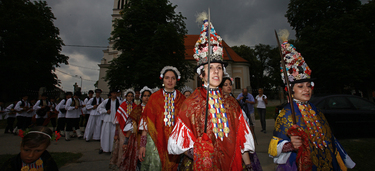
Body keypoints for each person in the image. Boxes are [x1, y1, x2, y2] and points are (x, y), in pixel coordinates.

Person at [168, 13, 255, 170]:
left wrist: (248, 166)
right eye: (211, 68)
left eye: (219, 68)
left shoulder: (232, 104)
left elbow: (242, 140)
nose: (216, 72)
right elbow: (177, 144)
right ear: (202, 74)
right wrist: (197, 153)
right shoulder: (191, 104)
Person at [268, 30, 355, 170]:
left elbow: (330, 137)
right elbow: (274, 145)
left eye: (308, 86)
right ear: (290, 90)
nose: (306, 90)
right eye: (301, 86)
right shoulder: (286, 114)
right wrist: (289, 145)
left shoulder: (316, 110)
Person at [138, 66, 186, 171]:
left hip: (175, 142)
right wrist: (142, 145)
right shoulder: (154, 98)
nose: (170, 80)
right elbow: (146, 122)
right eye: (167, 78)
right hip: (155, 140)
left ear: (176, 80)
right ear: (162, 79)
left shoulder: (182, 99)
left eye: (173, 78)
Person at [220, 76, 263, 171]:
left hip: (235, 135)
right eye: (225, 85)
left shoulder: (233, 101)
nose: (229, 87)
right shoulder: (217, 101)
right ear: (221, 87)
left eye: (230, 84)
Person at [110, 88, 137, 168]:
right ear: (126, 97)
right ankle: (121, 164)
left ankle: (129, 164)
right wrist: (116, 133)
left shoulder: (135, 106)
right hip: (122, 130)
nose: (130, 97)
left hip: (132, 130)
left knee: (131, 147)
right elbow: (117, 121)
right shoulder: (122, 106)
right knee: (122, 147)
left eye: (131, 96)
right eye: (128, 96)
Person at [97, 89, 121, 153]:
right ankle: (104, 148)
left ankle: (112, 149)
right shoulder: (106, 101)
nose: (114, 94)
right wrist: (105, 111)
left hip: (115, 120)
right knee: (105, 134)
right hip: (107, 120)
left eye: (116, 93)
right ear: (111, 94)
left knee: (113, 135)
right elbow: (99, 108)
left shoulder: (119, 101)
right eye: (113, 93)